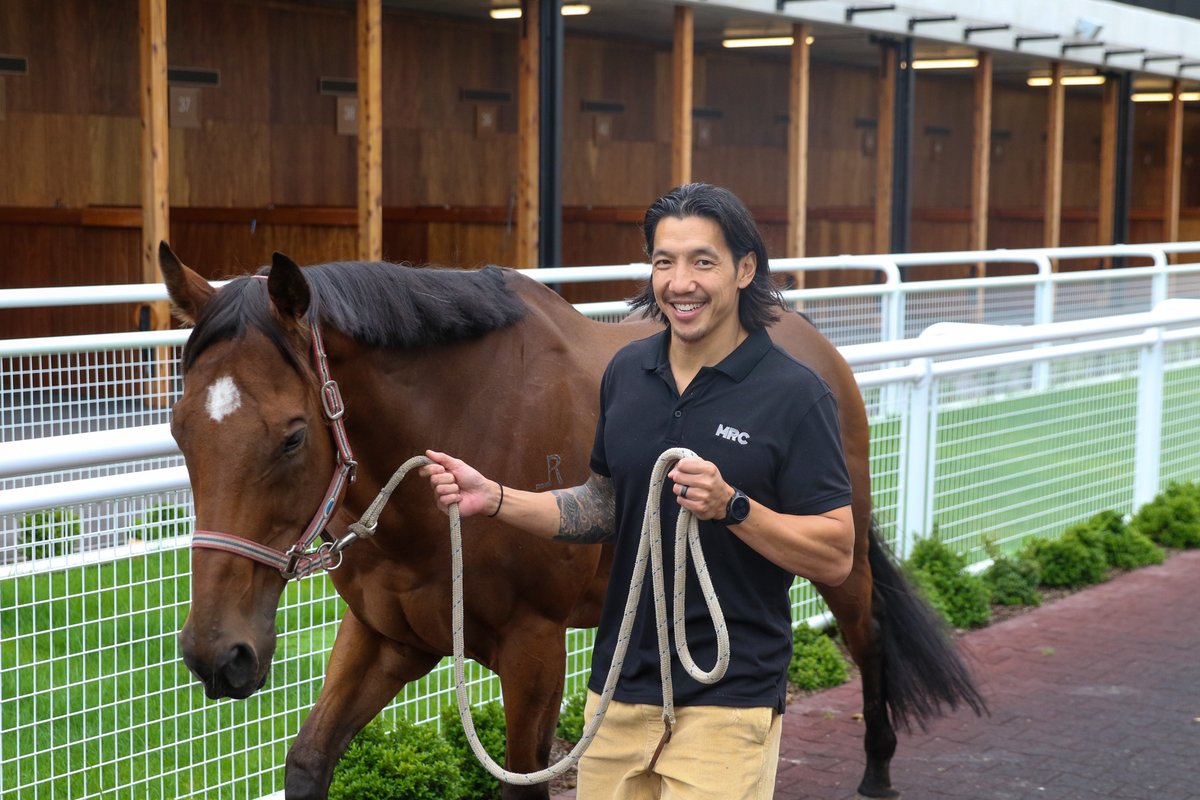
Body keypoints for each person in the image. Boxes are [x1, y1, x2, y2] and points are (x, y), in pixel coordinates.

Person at [422, 182, 854, 799]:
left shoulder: (794, 394)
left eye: (703, 262)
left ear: (744, 270)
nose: (680, 283)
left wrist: (733, 507)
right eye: (664, 261)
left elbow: (836, 553)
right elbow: (602, 504)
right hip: (617, 697)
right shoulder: (627, 373)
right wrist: (493, 497)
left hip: (729, 701)